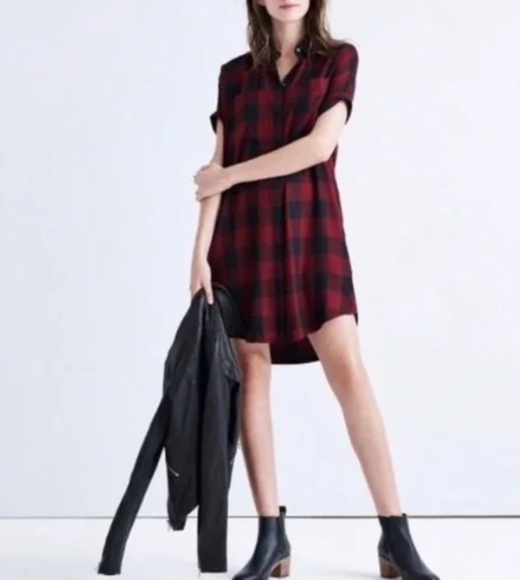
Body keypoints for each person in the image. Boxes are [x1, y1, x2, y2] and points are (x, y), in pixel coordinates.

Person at [191, 1, 440, 579]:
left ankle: (396, 535)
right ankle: (270, 536)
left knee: (348, 370)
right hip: (244, 238)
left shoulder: (337, 60)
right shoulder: (234, 76)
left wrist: (230, 175)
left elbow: (318, 147)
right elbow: (213, 169)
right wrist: (198, 254)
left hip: (313, 233)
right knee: (252, 375)